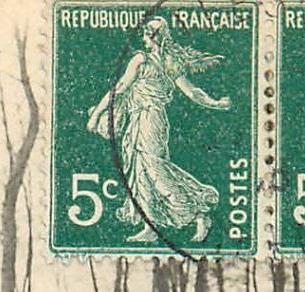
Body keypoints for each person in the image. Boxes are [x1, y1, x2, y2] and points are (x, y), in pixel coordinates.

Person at [87, 16, 231, 244]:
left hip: (150, 120)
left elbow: (189, 91)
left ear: (155, 37)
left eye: (147, 33)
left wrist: (96, 115)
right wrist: (215, 103)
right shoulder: (152, 60)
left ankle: (198, 213)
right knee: (140, 172)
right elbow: (122, 88)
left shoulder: (151, 61)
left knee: (155, 170)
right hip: (138, 120)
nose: (144, 37)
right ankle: (151, 226)